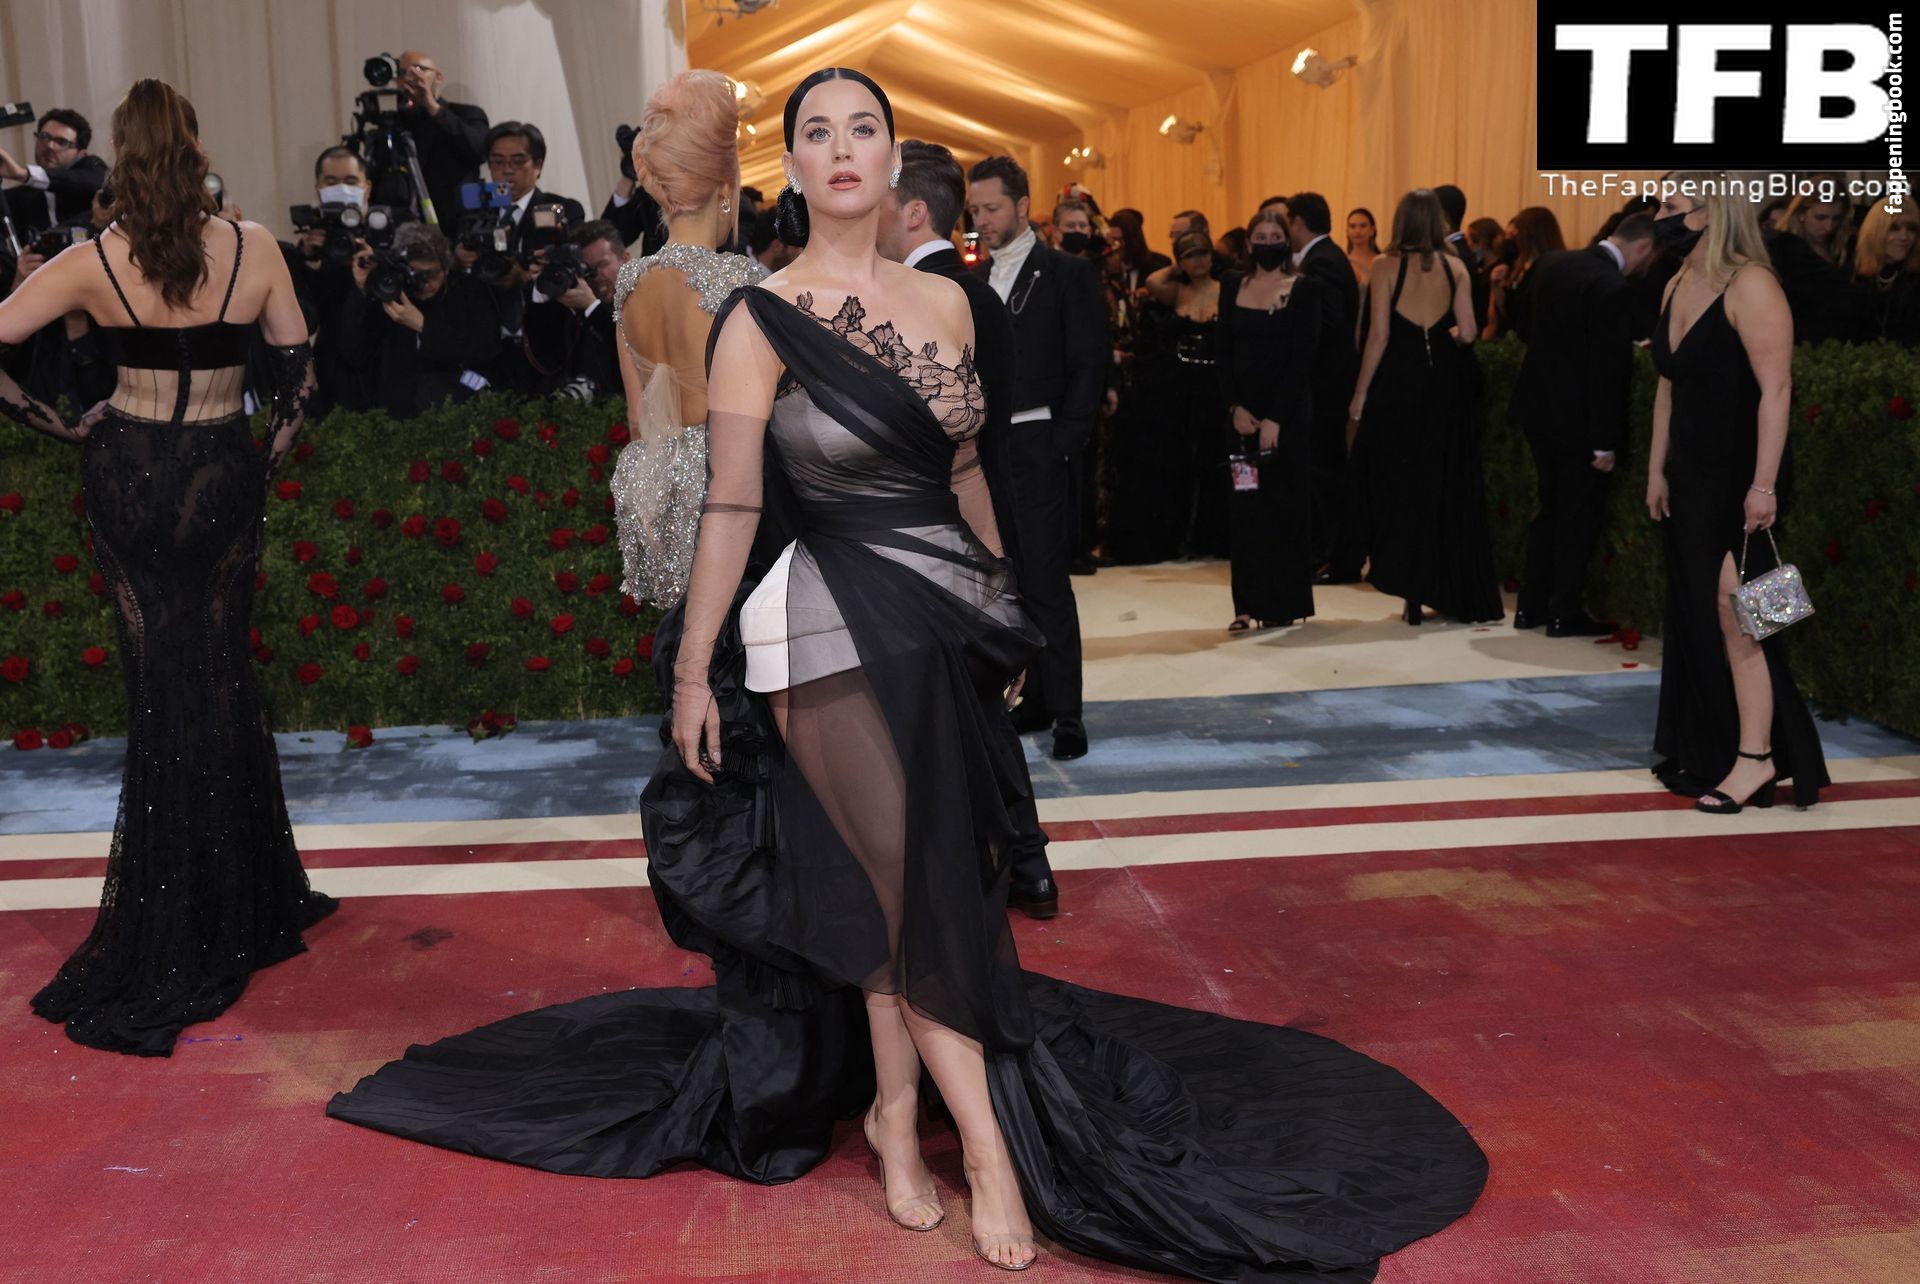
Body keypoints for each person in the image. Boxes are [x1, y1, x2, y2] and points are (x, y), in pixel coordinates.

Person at [326, 66, 1489, 1280]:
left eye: (863, 129)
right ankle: (986, 1149)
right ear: (792, 166)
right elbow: (731, 504)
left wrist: (1005, 608)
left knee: (919, 885)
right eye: (816, 132)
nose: (842, 148)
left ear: (892, 159)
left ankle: (893, 1112)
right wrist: (690, 672)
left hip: (945, 620)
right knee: (917, 883)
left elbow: (967, 471)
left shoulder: (950, 305)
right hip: (823, 622)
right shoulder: (756, 317)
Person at [0, 79, 334, 1056]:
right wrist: (259, 464)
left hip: (128, 473)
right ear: (194, 148)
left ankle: (168, 907)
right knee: (221, 671)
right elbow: (300, 380)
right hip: (218, 474)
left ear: (124, 155)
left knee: (159, 681)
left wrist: (57, 424)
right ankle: (240, 899)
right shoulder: (255, 247)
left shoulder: (91, 259)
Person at [878, 136, 1061, 920]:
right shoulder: (969, 290)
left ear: (914, 210)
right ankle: (1017, 861)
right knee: (968, 699)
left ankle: (1005, 861)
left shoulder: (945, 295)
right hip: (959, 519)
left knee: (963, 699)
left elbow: (961, 440)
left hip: (944, 520)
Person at [1645, 174, 1829, 812]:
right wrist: (1656, 470)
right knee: (1702, 613)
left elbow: (1777, 390)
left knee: (1744, 617)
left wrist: (1764, 485)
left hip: (1742, 477)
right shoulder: (1676, 283)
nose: (1660, 216)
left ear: (1708, 212)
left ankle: (1758, 758)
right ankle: (1716, 745)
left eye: (1671, 206)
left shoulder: (1753, 284)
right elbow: (1667, 387)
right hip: (1690, 478)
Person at [600, 69, 767, 611]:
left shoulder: (629, 282)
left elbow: (637, 420)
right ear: (726, 188)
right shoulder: (743, 281)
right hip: (734, 493)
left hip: (659, 489)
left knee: (688, 641)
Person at [968, 154, 1104, 761]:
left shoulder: (1067, 274)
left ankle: (1068, 713)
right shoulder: (974, 277)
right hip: (987, 450)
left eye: (992, 208)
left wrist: (1062, 442)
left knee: (1047, 582)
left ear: (1023, 206)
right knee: (1010, 580)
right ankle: (1037, 698)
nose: (982, 220)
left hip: (1039, 442)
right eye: (975, 210)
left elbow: (1089, 364)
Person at [1350, 188, 1502, 626]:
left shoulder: (1385, 266)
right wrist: (1448, 335)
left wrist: (1360, 393)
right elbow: (1470, 332)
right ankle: (1448, 586)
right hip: (1445, 385)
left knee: (1401, 485)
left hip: (1400, 383)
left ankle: (1411, 590)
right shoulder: (1457, 267)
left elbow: (1378, 336)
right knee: (1446, 484)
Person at [1509, 214, 1659, 636]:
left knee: (1549, 509)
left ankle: (1531, 606)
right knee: (1577, 516)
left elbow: (1521, 325)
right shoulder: (1612, 287)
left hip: (1537, 408)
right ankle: (1563, 610)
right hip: (1579, 422)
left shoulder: (1552, 262)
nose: (1647, 269)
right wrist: (1604, 442)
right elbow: (1608, 371)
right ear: (1644, 247)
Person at [1216, 205, 1321, 630]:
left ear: (1287, 243)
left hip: (1288, 417)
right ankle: (1244, 606)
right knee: (1245, 512)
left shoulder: (1303, 288)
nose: (1267, 244)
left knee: (1285, 509)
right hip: (1241, 418)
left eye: (1275, 238)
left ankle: (1283, 605)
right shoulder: (1232, 284)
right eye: (1259, 238)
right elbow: (1223, 351)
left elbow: (1303, 359)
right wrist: (1234, 408)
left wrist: (1276, 418)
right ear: (1248, 243)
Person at [339, 222, 502, 418]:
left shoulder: (469, 292)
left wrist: (423, 325)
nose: (424, 284)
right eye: (415, 275)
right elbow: (354, 352)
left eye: (431, 275)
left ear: (446, 269)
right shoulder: (389, 293)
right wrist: (364, 289)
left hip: (456, 409)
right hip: (394, 411)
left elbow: (485, 349)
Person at [1288, 192, 1364, 584]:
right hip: (1327, 382)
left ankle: (1332, 556)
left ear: (1297, 222)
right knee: (1322, 470)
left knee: (1324, 472)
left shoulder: (1323, 263)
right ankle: (1326, 553)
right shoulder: (1327, 257)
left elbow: (1329, 322)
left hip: (1326, 383)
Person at [1143, 230, 1227, 560]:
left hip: (1214, 386)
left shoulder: (1226, 290)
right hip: (1180, 387)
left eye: (1203, 252)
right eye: (1189, 255)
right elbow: (1152, 281)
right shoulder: (1176, 290)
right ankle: (1180, 535)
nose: (1198, 260)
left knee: (1214, 460)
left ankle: (1212, 536)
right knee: (1180, 461)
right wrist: (1177, 264)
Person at [385, 49, 489, 225]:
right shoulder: (395, 124)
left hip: (457, 223)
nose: (410, 78)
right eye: (402, 73)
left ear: (438, 77)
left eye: (418, 70)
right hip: (405, 225)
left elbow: (479, 150)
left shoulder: (467, 114)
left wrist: (432, 106)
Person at [1, 108, 109, 235]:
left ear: (81, 154)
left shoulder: (92, 171)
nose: (49, 145)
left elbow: (95, 182)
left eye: (62, 142)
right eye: (44, 136)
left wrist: (23, 174)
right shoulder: (15, 198)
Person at [1486, 207, 1565, 340]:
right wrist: (1497, 287)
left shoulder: (1551, 271)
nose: (1514, 234)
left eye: (1518, 229)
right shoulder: (1519, 267)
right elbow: (1510, 312)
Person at [1850, 202, 1920, 345]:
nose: (1904, 237)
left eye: (1911, 229)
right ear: (1876, 231)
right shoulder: (1853, 274)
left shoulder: (1915, 278)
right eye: (1894, 228)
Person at [1345, 205, 1380, 284]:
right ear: (1347, 231)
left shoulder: (1381, 262)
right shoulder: (1342, 262)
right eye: (1352, 226)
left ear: (1372, 230)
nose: (1357, 231)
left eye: (1363, 226)